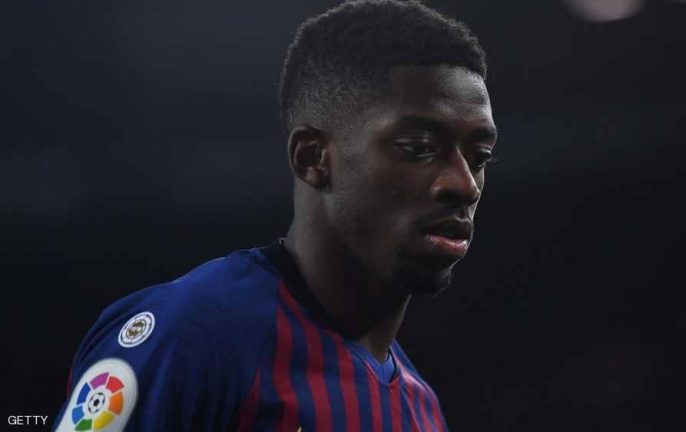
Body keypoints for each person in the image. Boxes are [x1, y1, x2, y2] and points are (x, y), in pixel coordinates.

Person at [53, 0, 497, 430]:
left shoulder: (424, 411)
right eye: (420, 148)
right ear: (312, 158)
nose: (466, 185)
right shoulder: (190, 335)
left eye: (479, 157)